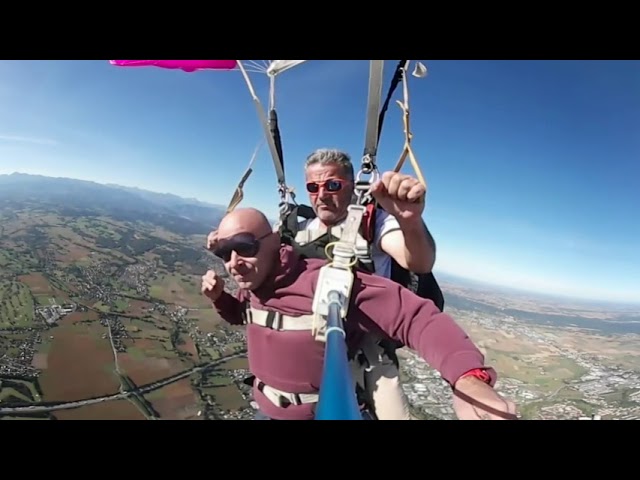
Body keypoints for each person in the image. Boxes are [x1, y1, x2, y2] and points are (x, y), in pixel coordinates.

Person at [201, 207, 517, 421]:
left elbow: (416, 317)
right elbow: (244, 316)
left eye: (244, 246)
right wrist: (220, 299)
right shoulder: (253, 285)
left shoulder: (326, 282)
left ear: (274, 242)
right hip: (265, 411)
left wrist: (469, 379)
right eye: (223, 253)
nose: (232, 262)